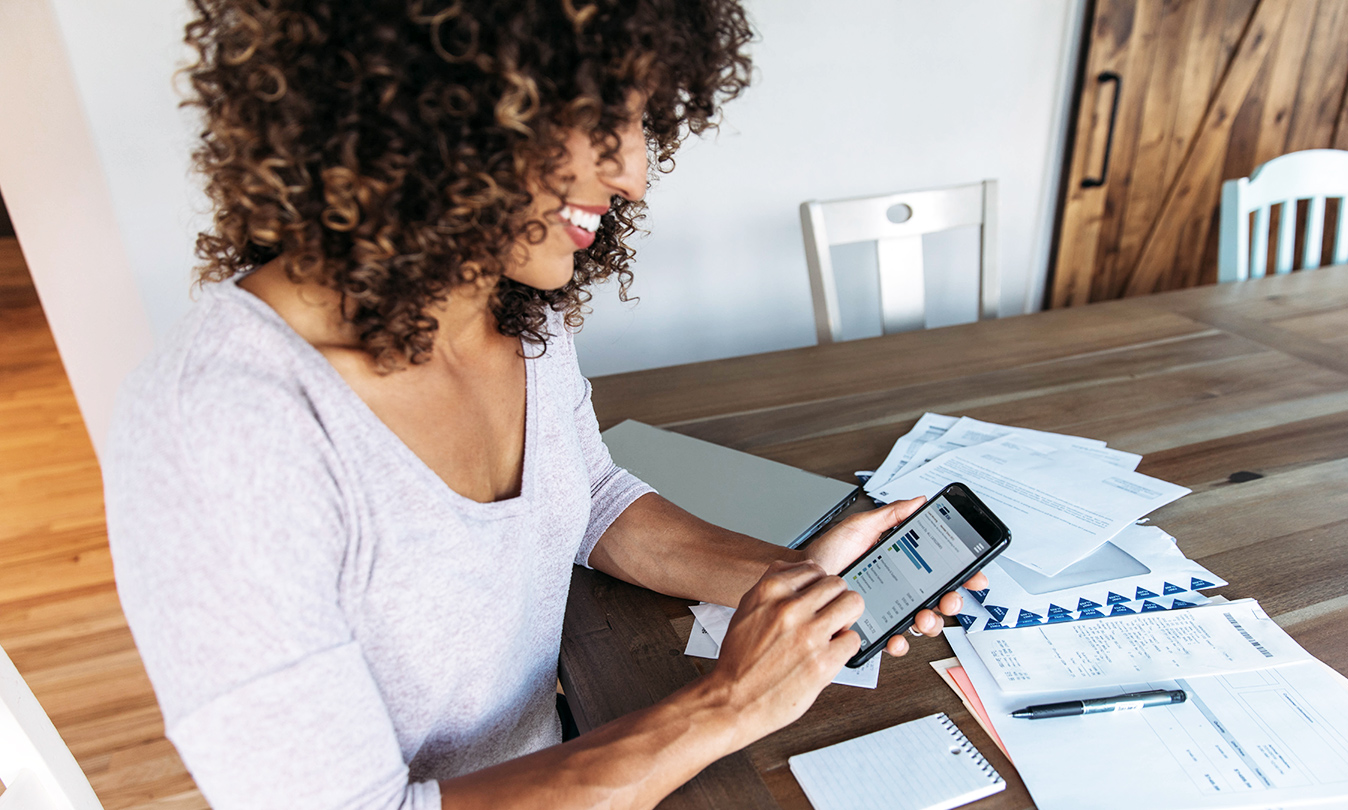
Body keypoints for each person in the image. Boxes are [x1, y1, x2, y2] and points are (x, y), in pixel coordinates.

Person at [102, 2, 986, 808]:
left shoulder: (511, 305)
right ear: (432, 98)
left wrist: (793, 581)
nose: (634, 174)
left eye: (641, 119)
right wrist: (729, 702)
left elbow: (587, 499)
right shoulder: (219, 433)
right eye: (598, 117)